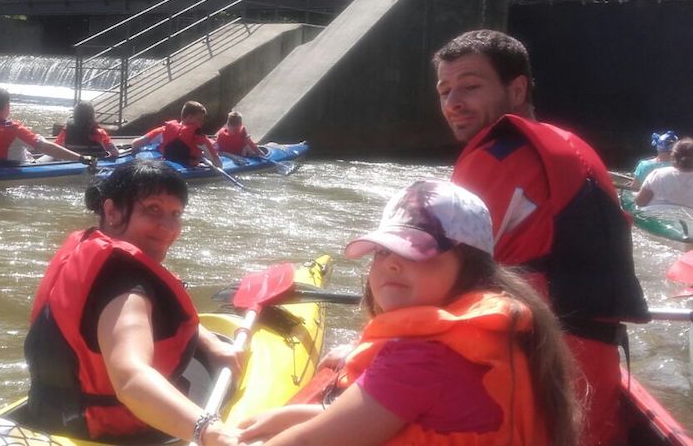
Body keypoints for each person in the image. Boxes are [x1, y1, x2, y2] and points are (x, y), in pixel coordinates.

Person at [237, 180, 580, 446]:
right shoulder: (484, 338)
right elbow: (399, 413)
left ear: (470, 267)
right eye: (382, 251)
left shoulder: (422, 359)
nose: (392, 263)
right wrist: (285, 416)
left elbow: (307, 442)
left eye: (417, 251)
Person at [433, 29, 649, 445]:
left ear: (517, 89)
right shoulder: (573, 148)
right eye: (444, 91)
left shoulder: (495, 157)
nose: (453, 103)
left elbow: (443, 273)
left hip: (535, 367)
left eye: (471, 87)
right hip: (591, 368)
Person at [22, 160, 240, 446]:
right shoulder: (127, 289)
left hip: (50, 418)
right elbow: (131, 378)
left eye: (176, 214)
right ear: (112, 211)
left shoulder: (89, 254)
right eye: (153, 209)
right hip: (117, 432)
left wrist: (212, 345)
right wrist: (210, 431)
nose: (168, 227)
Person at [0, 87, 93, 164]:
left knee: (28, 146)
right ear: (7, 105)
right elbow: (47, 148)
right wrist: (80, 158)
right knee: (53, 154)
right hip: (15, 169)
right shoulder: (14, 129)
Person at [130, 101, 222, 167]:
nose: (201, 123)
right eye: (199, 120)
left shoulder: (163, 130)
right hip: (191, 170)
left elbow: (136, 143)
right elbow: (218, 163)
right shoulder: (200, 138)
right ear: (189, 117)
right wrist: (203, 157)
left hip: (167, 168)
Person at [636, 137, 693, 209]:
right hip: (688, 218)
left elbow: (640, 202)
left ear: (673, 156)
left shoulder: (657, 174)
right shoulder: (658, 174)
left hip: (654, 217)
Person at [55, 101, 120, 159]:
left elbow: (56, 147)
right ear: (92, 116)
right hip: (94, 164)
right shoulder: (99, 133)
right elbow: (115, 153)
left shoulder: (66, 131)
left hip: (72, 163)